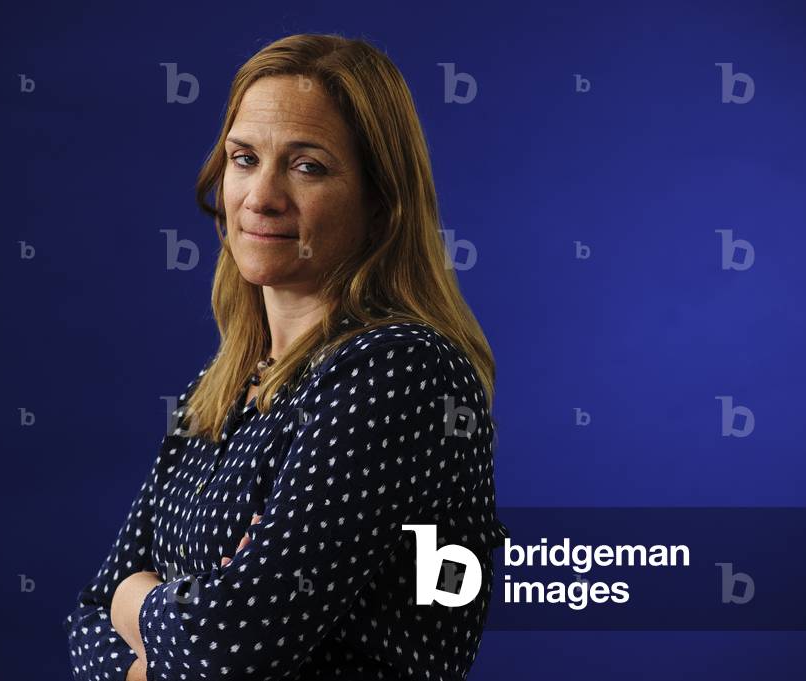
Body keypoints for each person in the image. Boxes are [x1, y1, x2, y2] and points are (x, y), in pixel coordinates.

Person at [63, 32, 508, 681]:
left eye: (307, 166)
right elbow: (89, 617)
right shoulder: (215, 390)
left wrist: (144, 600)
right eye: (244, 158)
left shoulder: (401, 371)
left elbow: (230, 650)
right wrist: (181, 615)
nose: (261, 196)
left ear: (380, 201)